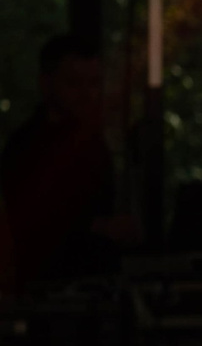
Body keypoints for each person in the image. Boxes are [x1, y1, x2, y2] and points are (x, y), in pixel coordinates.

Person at [1, 34, 136, 286]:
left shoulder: (94, 145)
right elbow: (25, 226)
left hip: (93, 288)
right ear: (46, 83)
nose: (87, 94)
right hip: (43, 291)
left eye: (94, 83)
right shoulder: (26, 146)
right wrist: (99, 228)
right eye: (74, 83)